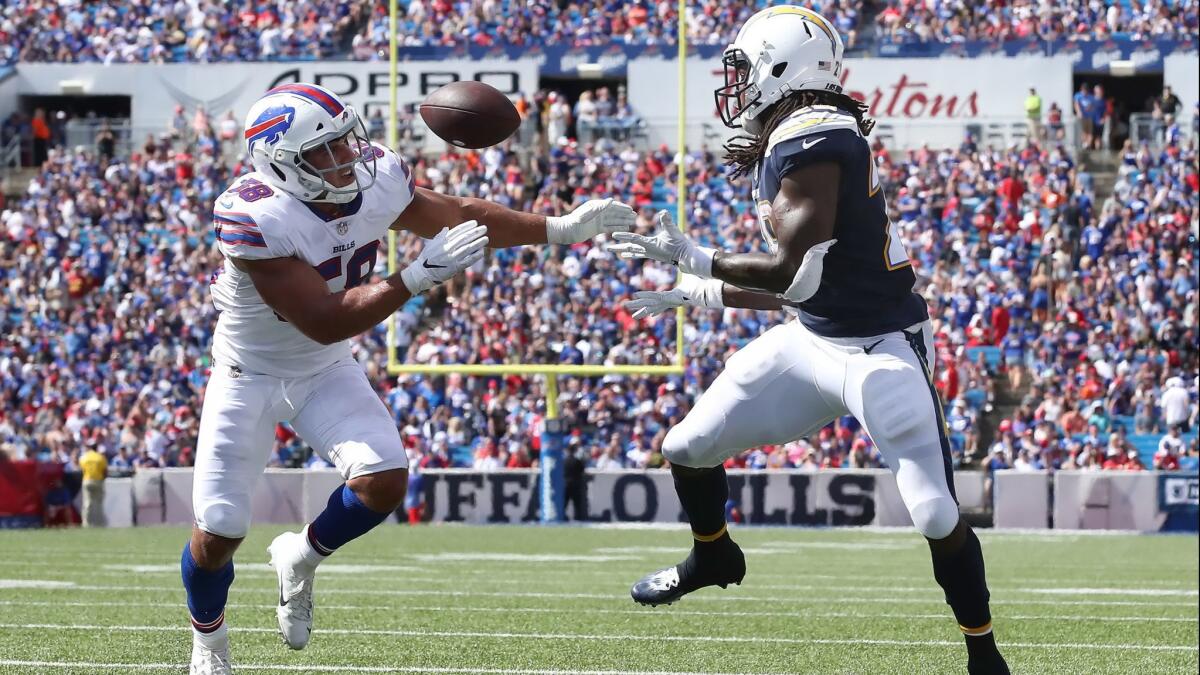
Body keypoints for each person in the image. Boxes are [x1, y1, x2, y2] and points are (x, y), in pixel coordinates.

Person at [184, 82, 634, 675]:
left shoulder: (374, 177)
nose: (347, 157)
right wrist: (414, 278)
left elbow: (462, 216)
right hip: (250, 371)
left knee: (384, 483)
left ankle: (300, 554)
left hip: (325, 368)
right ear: (282, 163)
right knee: (218, 532)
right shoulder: (253, 215)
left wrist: (557, 228)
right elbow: (321, 319)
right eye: (326, 150)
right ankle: (210, 644)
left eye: (346, 139)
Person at [611, 8, 1008, 674]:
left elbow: (791, 272)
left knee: (937, 513)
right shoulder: (790, 136)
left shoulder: (817, 137)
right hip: (815, 338)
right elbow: (804, 288)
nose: (733, 84)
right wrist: (697, 292)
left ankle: (984, 653)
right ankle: (714, 553)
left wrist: (697, 260)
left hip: (884, 350)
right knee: (686, 445)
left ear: (780, 66)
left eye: (743, 68)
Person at [79, 443, 108, 528]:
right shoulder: (100, 457)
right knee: (99, 503)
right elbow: (105, 471)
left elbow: (82, 470)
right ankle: (100, 523)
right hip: (98, 481)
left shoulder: (84, 457)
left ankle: (86, 523)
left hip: (87, 480)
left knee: (87, 503)